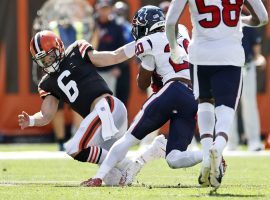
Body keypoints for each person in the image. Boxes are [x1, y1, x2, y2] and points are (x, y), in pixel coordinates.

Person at [18, 30, 164, 186]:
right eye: (43, 60)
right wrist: (31, 120)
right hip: (101, 119)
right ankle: (151, 152)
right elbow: (46, 115)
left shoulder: (76, 50)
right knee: (113, 179)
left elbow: (114, 56)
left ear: (59, 47)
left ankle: (127, 163)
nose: (48, 62)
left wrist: (139, 44)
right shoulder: (47, 83)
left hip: (107, 107)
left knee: (75, 148)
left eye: (50, 56)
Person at [84, 5, 203, 187]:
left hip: (172, 89)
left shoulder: (147, 42)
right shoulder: (183, 31)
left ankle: (99, 177)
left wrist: (145, 68)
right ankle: (211, 154)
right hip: (192, 94)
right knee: (174, 158)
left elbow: (141, 83)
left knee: (128, 139)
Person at [165, 0, 268, 189]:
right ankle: (219, 145)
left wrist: (173, 49)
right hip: (230, 54)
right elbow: (262, 18)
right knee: (226, 108)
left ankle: (207, 156)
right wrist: (240, 20)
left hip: (200, 54)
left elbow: (170, 22)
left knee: (204, 102)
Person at [228, 27, 265, 151]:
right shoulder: (222, 22)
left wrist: (259, 58)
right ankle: (230, 143)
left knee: (250, 105)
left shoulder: (247, 23)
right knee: (228, 105)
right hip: (227, 68)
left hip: (246, 67)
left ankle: (254, 141)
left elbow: (256, 51)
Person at [94, 0, 127, 95]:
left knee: (110, 99)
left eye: (106, 8)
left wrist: (118, 67)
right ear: (97, 8)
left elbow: (122, 46)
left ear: (110, 9)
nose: (104, 11)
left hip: (110, 70)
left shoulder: (116, 25)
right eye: (102, 8)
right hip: (93, 70)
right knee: (94, 98)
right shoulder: (92, 23)